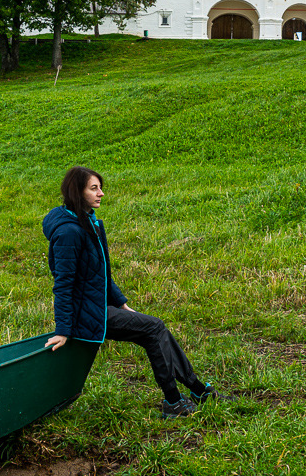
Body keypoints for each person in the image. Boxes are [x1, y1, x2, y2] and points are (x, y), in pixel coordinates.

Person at [43, 166, 226, 418]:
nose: (101, 194)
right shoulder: (69, 232)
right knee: (154, 328)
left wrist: (120, 302)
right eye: (94, 188)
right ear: (78, 191)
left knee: (152, 331)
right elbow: (63, 284)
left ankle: (193, 391)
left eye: (100, 187)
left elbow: (102, 273)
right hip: (84, 314)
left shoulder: (89, 222)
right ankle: (178, 400)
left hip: (96, 306)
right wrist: (63, 330)